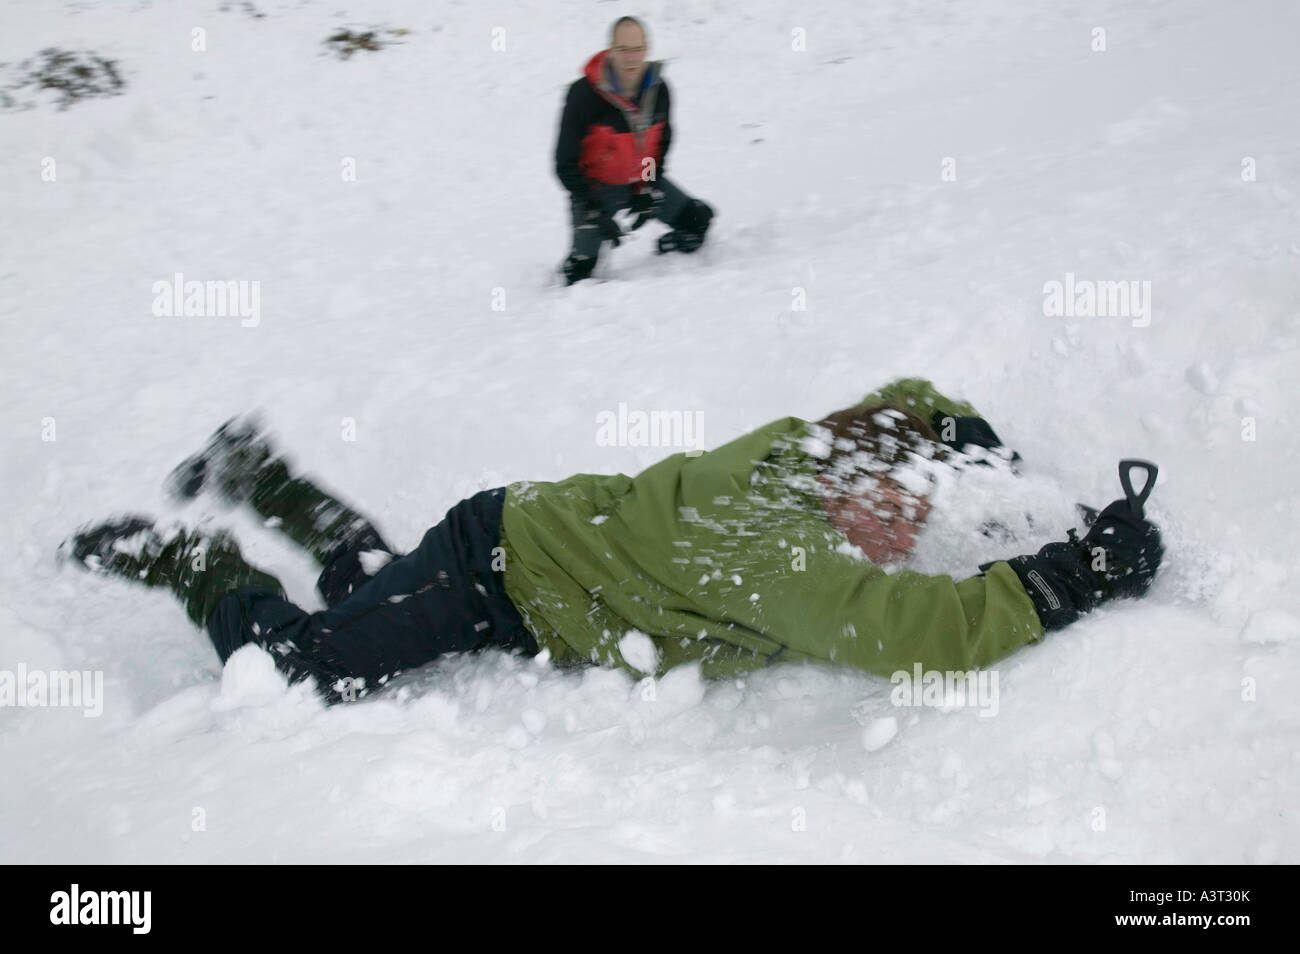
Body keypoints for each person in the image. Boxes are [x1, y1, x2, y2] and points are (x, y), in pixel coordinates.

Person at [59, 378, 1163, 706]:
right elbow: (924, 634)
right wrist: (1080, 574)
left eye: (912, 507)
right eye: (889, 506)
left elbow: (909, 397)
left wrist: (963, 446)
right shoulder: (769, 550)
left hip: (533, 550)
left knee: (367, 584)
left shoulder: (803, 448)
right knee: (302, 671)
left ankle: (265, 478)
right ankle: (200, 566)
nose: (903, 529)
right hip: (499, 571)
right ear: (837, 485)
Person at [555, 16, 715, 285]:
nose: (631, 58)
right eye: (623, 50)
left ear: (648, 48)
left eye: (638, 49)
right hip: (594, 192)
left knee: (698, 222)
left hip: (640, 181)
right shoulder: (583, 95)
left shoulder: (659, 90)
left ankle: (666, 252)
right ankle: (576, 265)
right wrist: (593, 210)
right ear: (611, 49)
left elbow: (657, 147)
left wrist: (648, 186)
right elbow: (565, 164)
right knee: (580, 276)